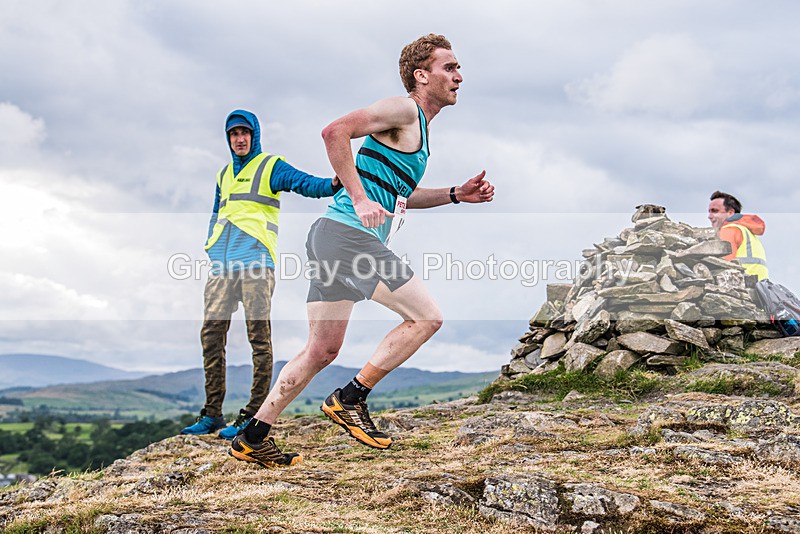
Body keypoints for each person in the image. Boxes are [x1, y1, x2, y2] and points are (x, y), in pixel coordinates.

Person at [229, 34, 494, 468]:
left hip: (331, 237)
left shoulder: (418, 132)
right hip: (348, 235)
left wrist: (455, 194)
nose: (459, 76)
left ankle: (253, 436)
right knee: (427, 317)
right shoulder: (404, 108)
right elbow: (335, 131)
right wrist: (357, 196)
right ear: (421, 75)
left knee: (321, 351)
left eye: (458, 68)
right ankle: (351, 398)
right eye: (449, 68)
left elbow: (401, 195)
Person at [181, 109, 341, 439]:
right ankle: (211, 414)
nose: (239, 139)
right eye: (233, 134)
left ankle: (252, 414)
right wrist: (210, 247)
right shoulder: (223, 175)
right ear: (228, 139)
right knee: (211, 337)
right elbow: (217, 213)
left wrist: (333, 184)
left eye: (245, 133)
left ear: (254, 135)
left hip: (256, 265)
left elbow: (304, 183)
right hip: (222, 267)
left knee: (258, 338)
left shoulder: (271, 167)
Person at [707, 190, 769, 280]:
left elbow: (723, 265)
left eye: (715, 211)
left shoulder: (729, 230)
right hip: (759, 288)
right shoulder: (746, 231)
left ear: (731, 213)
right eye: (709, 211)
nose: (709, 216)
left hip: (742, 286)